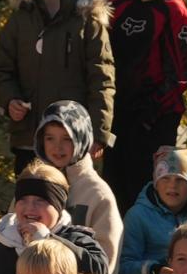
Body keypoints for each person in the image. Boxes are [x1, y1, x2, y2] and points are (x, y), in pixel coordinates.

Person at [0, 0, 114, 154]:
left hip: (73, 138)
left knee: (71, 190)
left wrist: (98, 132)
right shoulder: (19, 20)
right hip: (29, 135)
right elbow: (2, 71)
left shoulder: (88, 22)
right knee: (32, 189)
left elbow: (102, 81)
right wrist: (10, 100)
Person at [101, 0, 187, 202]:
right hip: (115, 113)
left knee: (146, 193)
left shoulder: (175, 12)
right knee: (112, 190)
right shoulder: (116, 0)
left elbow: (184, 75)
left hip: (154, 120)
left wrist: (148, 116)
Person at [0, 163, 111, 274]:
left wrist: (48, 240)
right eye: (23, 199)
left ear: (58, 206)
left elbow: (100, 271)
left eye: (41, 200)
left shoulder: (77, 238)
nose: (30, 208)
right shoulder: (4, 243)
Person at [114, 145, 187, 274]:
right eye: (165, 178)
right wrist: (154, 269)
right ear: (156, 182)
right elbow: (121, 269)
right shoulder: (138, 216)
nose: (172, 185)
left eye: (180, 179)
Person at [35, 101, 122, 236]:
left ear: (82, 140)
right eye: (50, 138)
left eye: (67, 139)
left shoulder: (98, 194)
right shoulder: (31, 183)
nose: (57, 147)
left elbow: (107, 253)